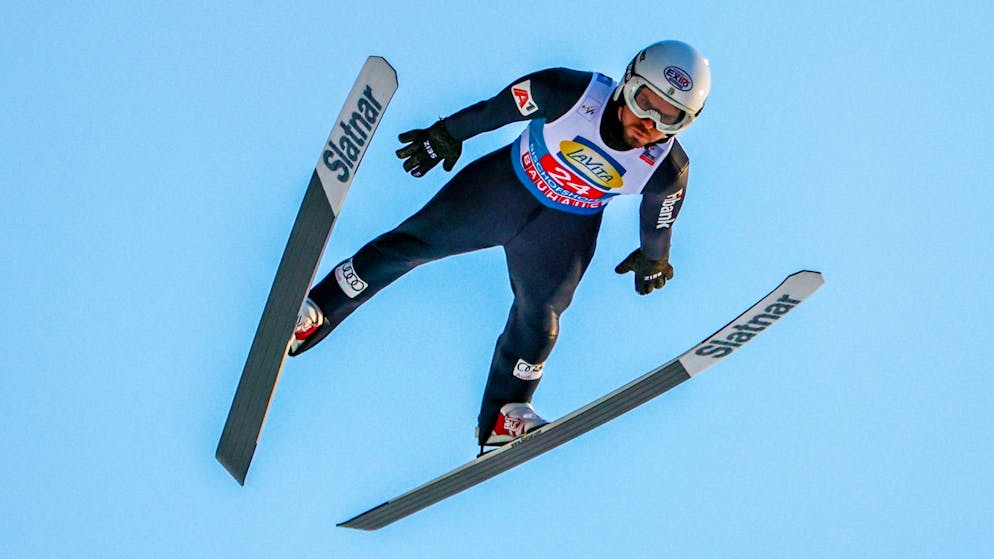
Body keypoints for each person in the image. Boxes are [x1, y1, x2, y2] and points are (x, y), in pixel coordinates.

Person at [290, 40, 711, 451]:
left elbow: (659, 221)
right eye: (645, 102)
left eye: (671, 119)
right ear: (627, 82)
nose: (650, 123)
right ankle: (317, 311)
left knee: (541, 319)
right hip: (501, 191)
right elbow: (499, 108)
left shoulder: (667, 169)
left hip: (563, 233)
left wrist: (655, 259)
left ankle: (504, 415)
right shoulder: (569, 92)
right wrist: (447, 134)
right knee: (408, 245)